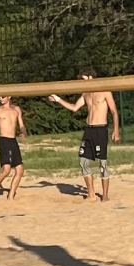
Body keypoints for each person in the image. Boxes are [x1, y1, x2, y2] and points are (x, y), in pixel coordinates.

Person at [49, 71, 120, 202]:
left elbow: (114, 111)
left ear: (91, 77)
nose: (82, 83)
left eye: (83, 79)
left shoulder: (105, 91)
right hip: (89, 130)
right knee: (83, 161)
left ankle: (105, 195)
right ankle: (91, 194)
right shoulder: (85, 94)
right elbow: (74, 107)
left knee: (102, 163)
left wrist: (116, 130)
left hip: (100, 129)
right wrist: (58, 99)